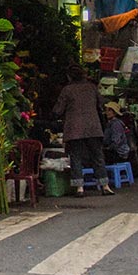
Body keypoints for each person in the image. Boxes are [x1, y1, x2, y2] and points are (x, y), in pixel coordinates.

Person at [53, 66, 112, 196]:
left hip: (74, 128)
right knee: (97, 156)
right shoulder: (91, 87)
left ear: (69, 77)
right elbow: (101, 103)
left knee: (76, 157)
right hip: (93, 127)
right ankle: (105, 185)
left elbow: (58, 110)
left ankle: (80, 188)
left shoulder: (67, 90)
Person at [103, 105, 137, 173]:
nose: (107, 112)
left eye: (109, 110)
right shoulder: (111, 123)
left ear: (114, 113)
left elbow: (116, 142)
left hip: (119, 152)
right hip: (117, 150)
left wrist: (107, 148)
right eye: (106, 110)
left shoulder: (116, 124)